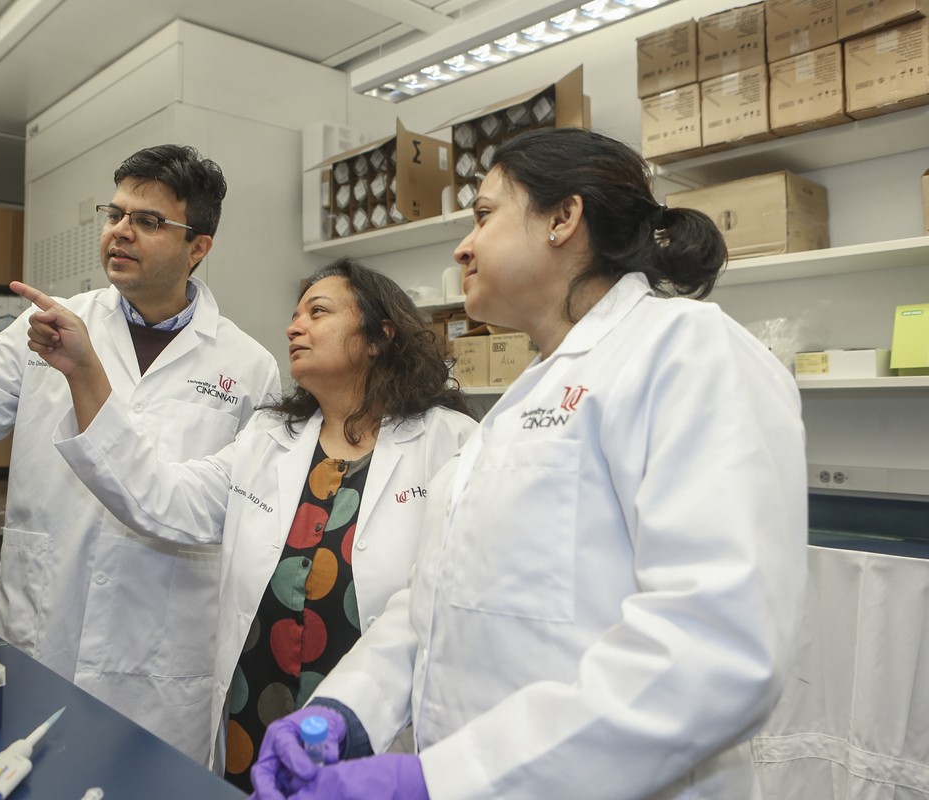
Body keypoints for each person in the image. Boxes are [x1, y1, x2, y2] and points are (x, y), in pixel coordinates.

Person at [250, 128, 809, 800]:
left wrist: (443, 780)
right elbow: (434, 606)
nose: (463, 245)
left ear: (563, 218)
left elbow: (715, 651)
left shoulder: (687, 351)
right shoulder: (524, 401)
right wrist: (346, 711)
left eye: (484, 215)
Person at [9, 257, 478, 789]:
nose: (293, 326)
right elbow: (159, 496)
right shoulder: (270, 438)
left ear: (379, 336)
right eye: (295, 313)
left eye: (318, 312)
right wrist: (86, 372)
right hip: (255, 714)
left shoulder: (448, 442)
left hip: (373, 727)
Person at [0, 144, 282, 762]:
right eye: (115, 213)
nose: (121, 231)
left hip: (162, 659)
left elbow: (238, 512)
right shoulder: (46, 326)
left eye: (148, 221)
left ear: (197, 247)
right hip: (47, 631)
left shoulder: (248, 367)